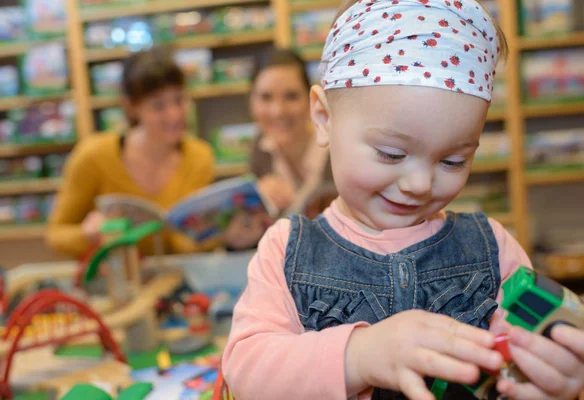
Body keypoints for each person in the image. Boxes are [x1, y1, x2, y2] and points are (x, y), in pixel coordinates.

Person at [222, 1, 584, 399]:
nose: (419, 183)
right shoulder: (286, 249)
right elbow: (246, 371)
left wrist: (555, 382)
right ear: (324, 118)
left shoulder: (495, 250)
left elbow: (526, 362)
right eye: (391, 154)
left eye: (453, 160)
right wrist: (358, 357)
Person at [46, 48, 215, 258]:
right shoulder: (94, 156)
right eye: (158, 106)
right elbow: (56, 235)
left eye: (179, 100)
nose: (174, 114)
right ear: (131, 107)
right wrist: (87, 234)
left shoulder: (200, 157)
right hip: (115, 282)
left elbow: (195, 243)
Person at [222, 49, 336, 250]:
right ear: (251, 102)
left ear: (312, 99)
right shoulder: (261, 148)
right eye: (266, 97)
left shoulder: (339, 146)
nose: (278, 111)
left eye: (291, 96)